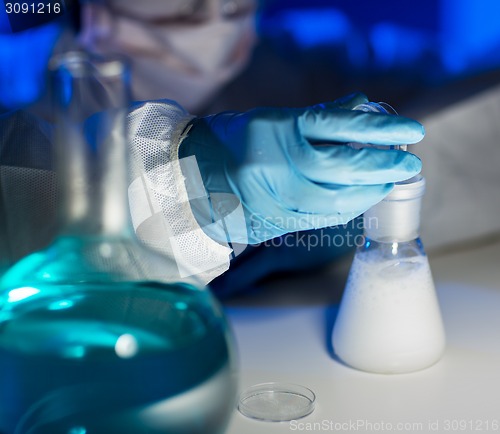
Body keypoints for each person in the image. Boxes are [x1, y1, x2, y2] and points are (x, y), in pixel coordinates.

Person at [0, 0, 424, 290]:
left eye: (236, 7)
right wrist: (188, 187)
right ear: (94, 15)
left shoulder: (294, 61)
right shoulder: (13, 92)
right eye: (187, 9)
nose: (222, 21)